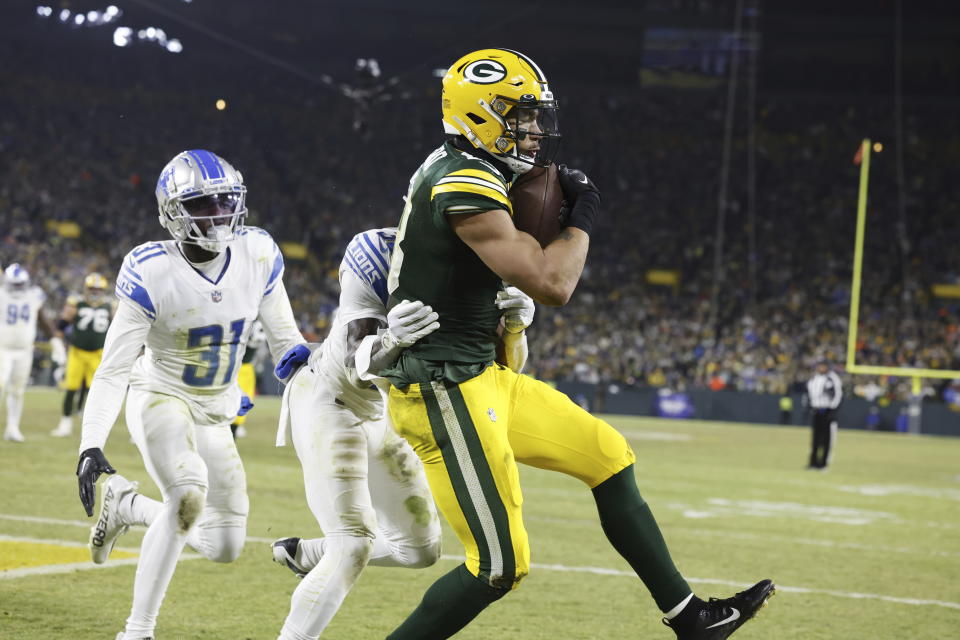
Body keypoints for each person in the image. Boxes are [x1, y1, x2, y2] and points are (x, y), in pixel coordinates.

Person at [379, 48, 775, 640]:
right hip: (443, 387)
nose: (534, 129)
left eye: (536, 115)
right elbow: (553, 282)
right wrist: (583, 216)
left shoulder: (474, 166)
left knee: (608, 455)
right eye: (520, 114)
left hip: (481, 376)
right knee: (499, 567)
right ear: (480, 114)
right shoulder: (460, 180)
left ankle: (689, 617)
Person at [74, 149, 307, 640]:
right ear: (173, 212)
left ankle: (127, 505)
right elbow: (114, 369)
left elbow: (289, 348)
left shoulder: (258, 252)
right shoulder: (150, 268)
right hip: (159, 393)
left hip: (214, 408)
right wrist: (90, 443)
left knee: (223, 545)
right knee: (187, 495)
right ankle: (137, 631)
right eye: (202, 204)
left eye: (225, 202)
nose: (218, 214)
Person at [268, 227, 451, 639]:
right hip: (331, 399)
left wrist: (515, 327)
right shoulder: (380, 252)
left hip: (378, 411)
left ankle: (306, 554)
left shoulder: (480, 265)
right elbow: (356, 360)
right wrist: (394, 339)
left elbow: (506, 367)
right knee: (353, 543)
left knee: (420, 551)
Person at [0, 263, 60, 441]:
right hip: (2, 348)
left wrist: (54, 339)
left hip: (25, 349)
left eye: (20, 284)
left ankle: (12, 427)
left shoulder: (34, 295)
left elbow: (43, 319)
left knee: (17, 390)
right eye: (15, 284)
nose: (18, 288)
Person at [51, 272, 114, 438]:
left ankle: (96, 427)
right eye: (92, 288)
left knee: (97, 391)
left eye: (98, 289)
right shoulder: (75, 303)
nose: (95, 292)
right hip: (77, 352)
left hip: (98, 353)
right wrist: (57, 339)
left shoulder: (111, 306)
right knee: (71, 388)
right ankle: (65, 424)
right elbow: (62, 324)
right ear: (86, 289)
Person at [230, 319, 265, 439]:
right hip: (238, 366)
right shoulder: (252, 317)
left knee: (239, 410)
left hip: (244, 367)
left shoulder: (252, 317)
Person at [806, 359, 842, 470]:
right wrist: (811, 406)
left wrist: (832, 409)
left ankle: (823, 463)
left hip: (827, 411)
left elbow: (838, 395)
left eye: (823, 366)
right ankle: (813, 463)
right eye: (819, 366)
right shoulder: (814, 378)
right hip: (816, 410)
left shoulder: (832, 378)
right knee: (815, 439)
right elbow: (810, 394)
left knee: (826, 439)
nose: (821, 368)